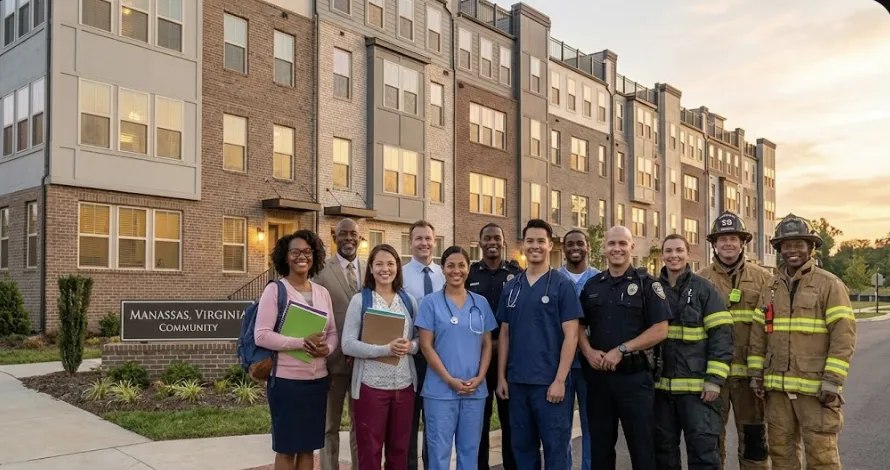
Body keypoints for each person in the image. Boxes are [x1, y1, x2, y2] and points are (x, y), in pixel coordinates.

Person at [748, 214, 856, 470]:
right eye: (786, 245)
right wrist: (756, 375)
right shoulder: (771, 286)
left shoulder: (829, 285)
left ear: (811, 247)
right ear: (779, 249)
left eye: (798, 244)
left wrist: (833, 380)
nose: (792, 250)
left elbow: (843, 335)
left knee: (822, 457)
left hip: (816, 391)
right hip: (777, 392)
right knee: (781, 456)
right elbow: (758, 333)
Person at [578, 226, 671, 470]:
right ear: (604, 248)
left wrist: (621, 349)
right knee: (600, 450)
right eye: (611, 244)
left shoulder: (647, 285)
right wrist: (587, 351)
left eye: (622, 243)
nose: (616, 248)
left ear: (632, 247)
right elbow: (577, 326)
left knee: (642, 450)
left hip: (635, 380)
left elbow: (660, 329)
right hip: (599, 381)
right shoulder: (592, 286)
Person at [495, 219, 582, 470]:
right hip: (518, 383)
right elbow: (505, 334)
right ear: (523, 245)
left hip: (549, 384)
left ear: (550, 245)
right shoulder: (512, 287)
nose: (535, 246)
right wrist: (501, 377)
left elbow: (572, 336)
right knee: (522, 448)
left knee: (556, 449)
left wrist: (560, 380)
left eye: (540, 241)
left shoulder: (562, 285)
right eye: (530, 241)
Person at [255, 230, 339, 470]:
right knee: (287, 448)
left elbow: (332, 332)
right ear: (285, 256)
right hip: (286, 383)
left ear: (314, 256)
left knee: (308, 447)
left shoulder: (322, 292)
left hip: (317, 382)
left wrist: (327, 348)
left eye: (307, 252)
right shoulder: (276, 291)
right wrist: (301, 342)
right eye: (295, 252)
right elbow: (261, 335)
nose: (301, 256)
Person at [696, 211, 772, 469]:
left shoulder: (763, 279)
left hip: (750, 379)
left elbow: (770, 328)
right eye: (722, 238)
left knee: (754, 442)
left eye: (733, 238)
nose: (728, 243)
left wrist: (762, 372)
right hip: (712, 377)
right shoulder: (700, 279)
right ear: (714, 244)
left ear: (743, 243)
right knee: (711, 442)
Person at [655, 234, 734, 470]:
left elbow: (722, 334)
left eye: (679, 250)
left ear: (688, 254)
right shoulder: (653, 288)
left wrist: (714, 381)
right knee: (663, 453)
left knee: (703, 453)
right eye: (668, 251)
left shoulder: (704, 289)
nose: (674, 256)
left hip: (698, 390)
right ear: (662, 255)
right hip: (660, 391)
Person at [416, 246, 498, 470]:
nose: (456, 270)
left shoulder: (479, 303)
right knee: (439, 452)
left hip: (474, 390)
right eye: (450, 265)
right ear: (442, 268)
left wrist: (480, 378)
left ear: (468, 268)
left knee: (470, 452)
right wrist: (450, 380)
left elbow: (486, 344)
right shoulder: (430, 303)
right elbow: (425, 345)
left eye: (461, 265)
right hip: (440, 391)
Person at [340, 244, 420, 470]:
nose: (385, 269)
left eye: (390, 263)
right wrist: (384, 349)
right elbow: (347, 344)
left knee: (400, 450)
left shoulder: (408, 301)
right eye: (379, 264)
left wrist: (410, 347)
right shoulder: (360, 301)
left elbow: (419, 339)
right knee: (370, 450)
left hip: (404, 386)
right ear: (371, 269)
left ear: (397, 267)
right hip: (370, 387)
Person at [467, 223, 523, 470]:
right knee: (479, 421)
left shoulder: (516, 273)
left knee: (512, 422)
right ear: (479, 243)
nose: (492, 242)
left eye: (497, 238)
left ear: (503, 242)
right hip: (478, 359)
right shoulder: (470, 274)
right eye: (487, 238)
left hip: (509, 360)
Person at [314, 218, 363, 470]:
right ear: (335, 238)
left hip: (363, 364)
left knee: (360, 425)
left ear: (360, 238)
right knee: (329, 426)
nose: (348, 239)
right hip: (332, 363)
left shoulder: (371, 269)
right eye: (343, 234)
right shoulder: (322, 271)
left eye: (353, 234)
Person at [402, 220, 446, 470]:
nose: (424, 243)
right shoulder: (401, 274)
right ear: (410, 242)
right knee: (409, 419)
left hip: (440, 356)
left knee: (435, 420)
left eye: (428, 238)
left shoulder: (445, 273)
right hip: (411, 355)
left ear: (434, 240)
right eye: (418, 238)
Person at [557, 229, 600, 470]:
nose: (575, 247)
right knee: (560, 428)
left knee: (590, 426)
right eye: (569, 243)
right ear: (563, 248)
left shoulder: (599, 279)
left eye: (580, 243)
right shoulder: (553, 279)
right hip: (560, 366)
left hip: (590, 365)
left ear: (587, 247)